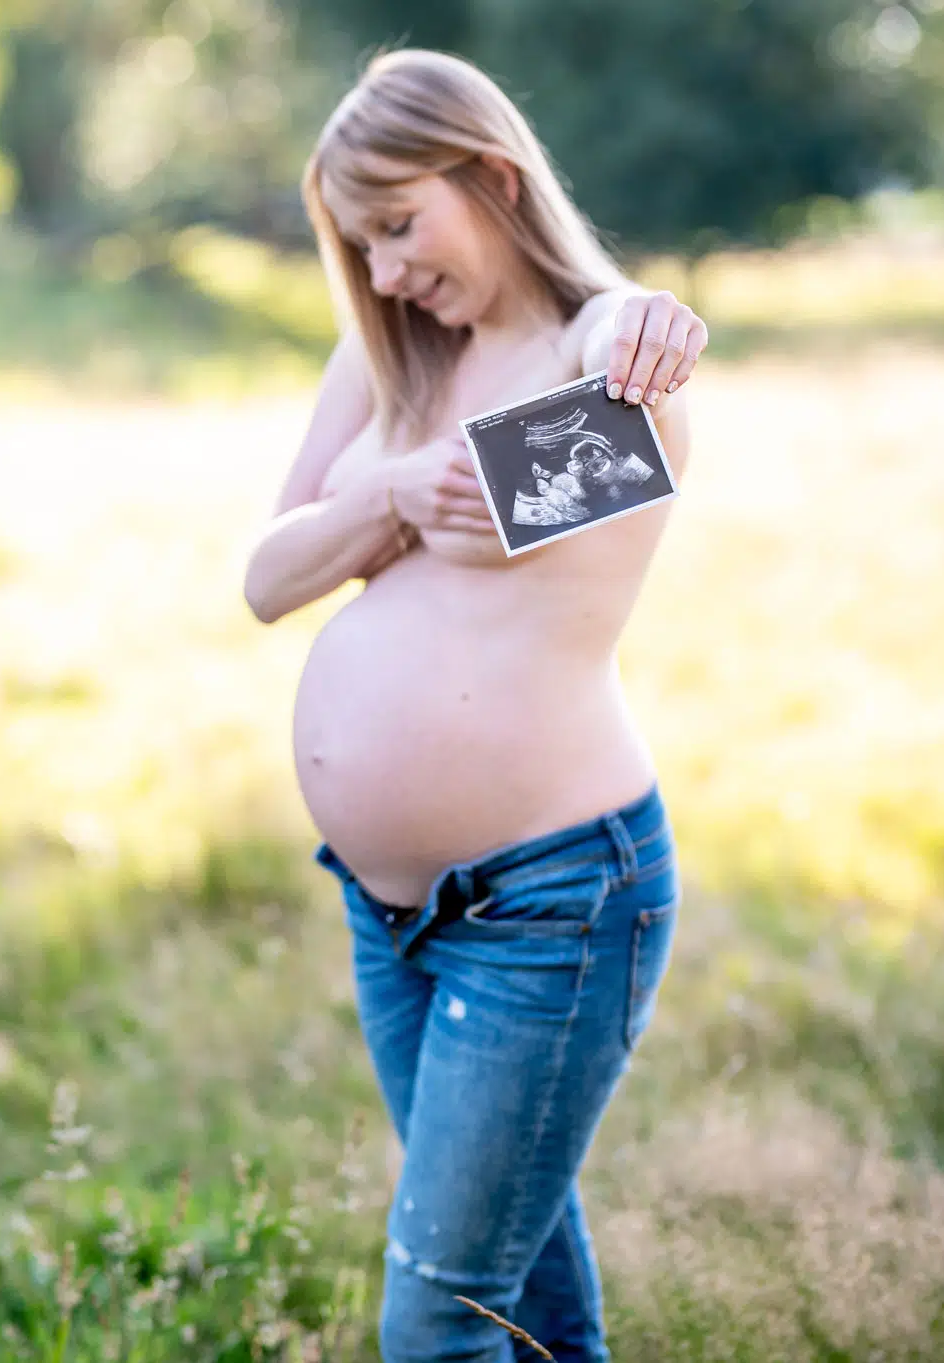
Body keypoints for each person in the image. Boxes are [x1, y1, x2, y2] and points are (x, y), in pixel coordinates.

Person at [240, 48, 709, 1363]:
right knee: (522, 1278)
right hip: (385, 908)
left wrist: (632, 326)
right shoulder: (387, 356)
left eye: (398, 225)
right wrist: (382, 495)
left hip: (552, 899)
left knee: (440, 1317)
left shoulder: (611, 360)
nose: (383, 273)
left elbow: (521, 493)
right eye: (359, 243)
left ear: (493, 177)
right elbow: (268, 577)